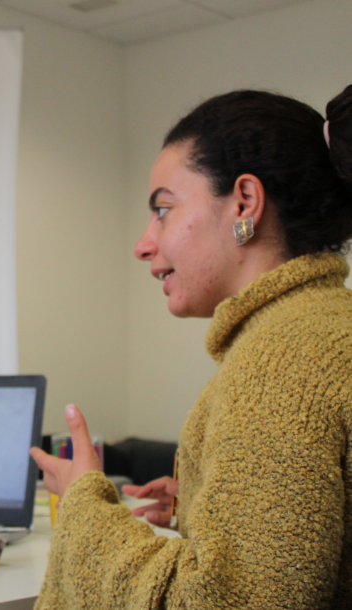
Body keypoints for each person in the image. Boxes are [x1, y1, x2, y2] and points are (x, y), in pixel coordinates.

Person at [31, 85, 352, 609]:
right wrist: (206, 509)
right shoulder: (327, 326)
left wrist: (86, 505)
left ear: (244, 202)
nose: (144, 244)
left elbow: (231, 602)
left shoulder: (282, 360)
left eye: (163, 209)